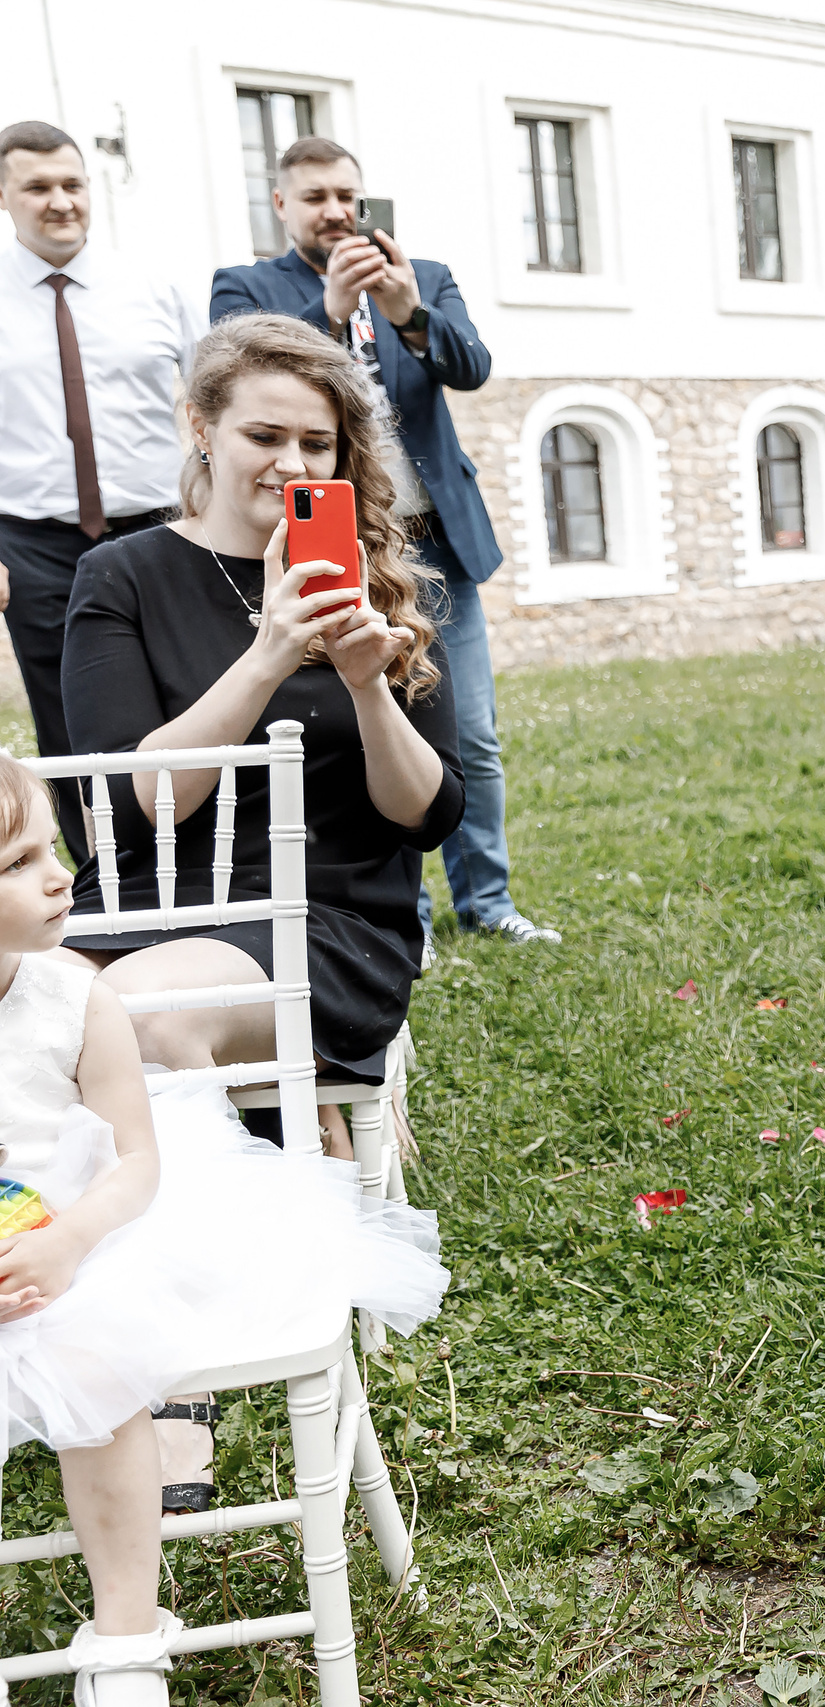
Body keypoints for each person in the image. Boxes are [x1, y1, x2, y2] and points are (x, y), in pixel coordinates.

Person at [58, 313, 464, 1510]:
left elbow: (426, 814)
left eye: (318, 444)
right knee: (86, 1011)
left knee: (118, 1029)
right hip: (141, 910)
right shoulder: (120, 578)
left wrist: (358, 683)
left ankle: (169, 1372)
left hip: (322, 924)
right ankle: (266, 1182)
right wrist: (264, 654)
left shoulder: (378, 581)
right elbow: (138, 806)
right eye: (264, 435)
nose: (294, 465)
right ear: (202, 430)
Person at [0, 753, 446, 1705]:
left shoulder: (80, 1000)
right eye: (17, 861)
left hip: (100, 1231)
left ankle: (124, 1636)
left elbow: (137, 1160)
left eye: (49, 846)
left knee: (96, 1363)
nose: (55, 873)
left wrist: (69, 1242)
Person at [210, 135, 558, 948]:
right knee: (366, 726)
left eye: (347, 197)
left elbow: (471, 365)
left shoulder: (422, 275)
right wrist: (327, 312)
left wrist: (407, 314)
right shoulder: (249, 287)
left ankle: (489, 900)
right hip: (330, 539)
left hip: (433, 542)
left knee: (467, 729)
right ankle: (411, 914)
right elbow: (244, 378)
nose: (336, 211)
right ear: (282, 206)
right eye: (316, 197)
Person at [0, 122, 200, 854]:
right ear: (4, 195)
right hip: (32, 542)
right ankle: (102, 882)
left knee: (183, 689)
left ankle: (198, 860)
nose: (60, 202)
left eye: (72, 184)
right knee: (67, 718)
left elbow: (213, 398)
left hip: (155, 528)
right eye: (38, 187)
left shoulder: (154, 286)